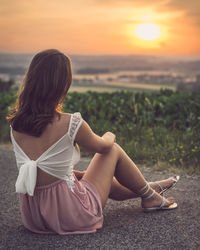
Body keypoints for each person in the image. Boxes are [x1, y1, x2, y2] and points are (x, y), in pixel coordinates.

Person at [7, 49, 179, 235]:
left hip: (36, 218)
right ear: (63, 84)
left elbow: (41, 166)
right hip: (72, 214)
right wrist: (109, 133)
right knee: (113, 150)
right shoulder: (70, 123)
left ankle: (150, 188)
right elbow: (103, 146)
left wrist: (67, 174)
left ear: (31, 80)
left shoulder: (16, 125)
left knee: (87, 178)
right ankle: (149, 194)